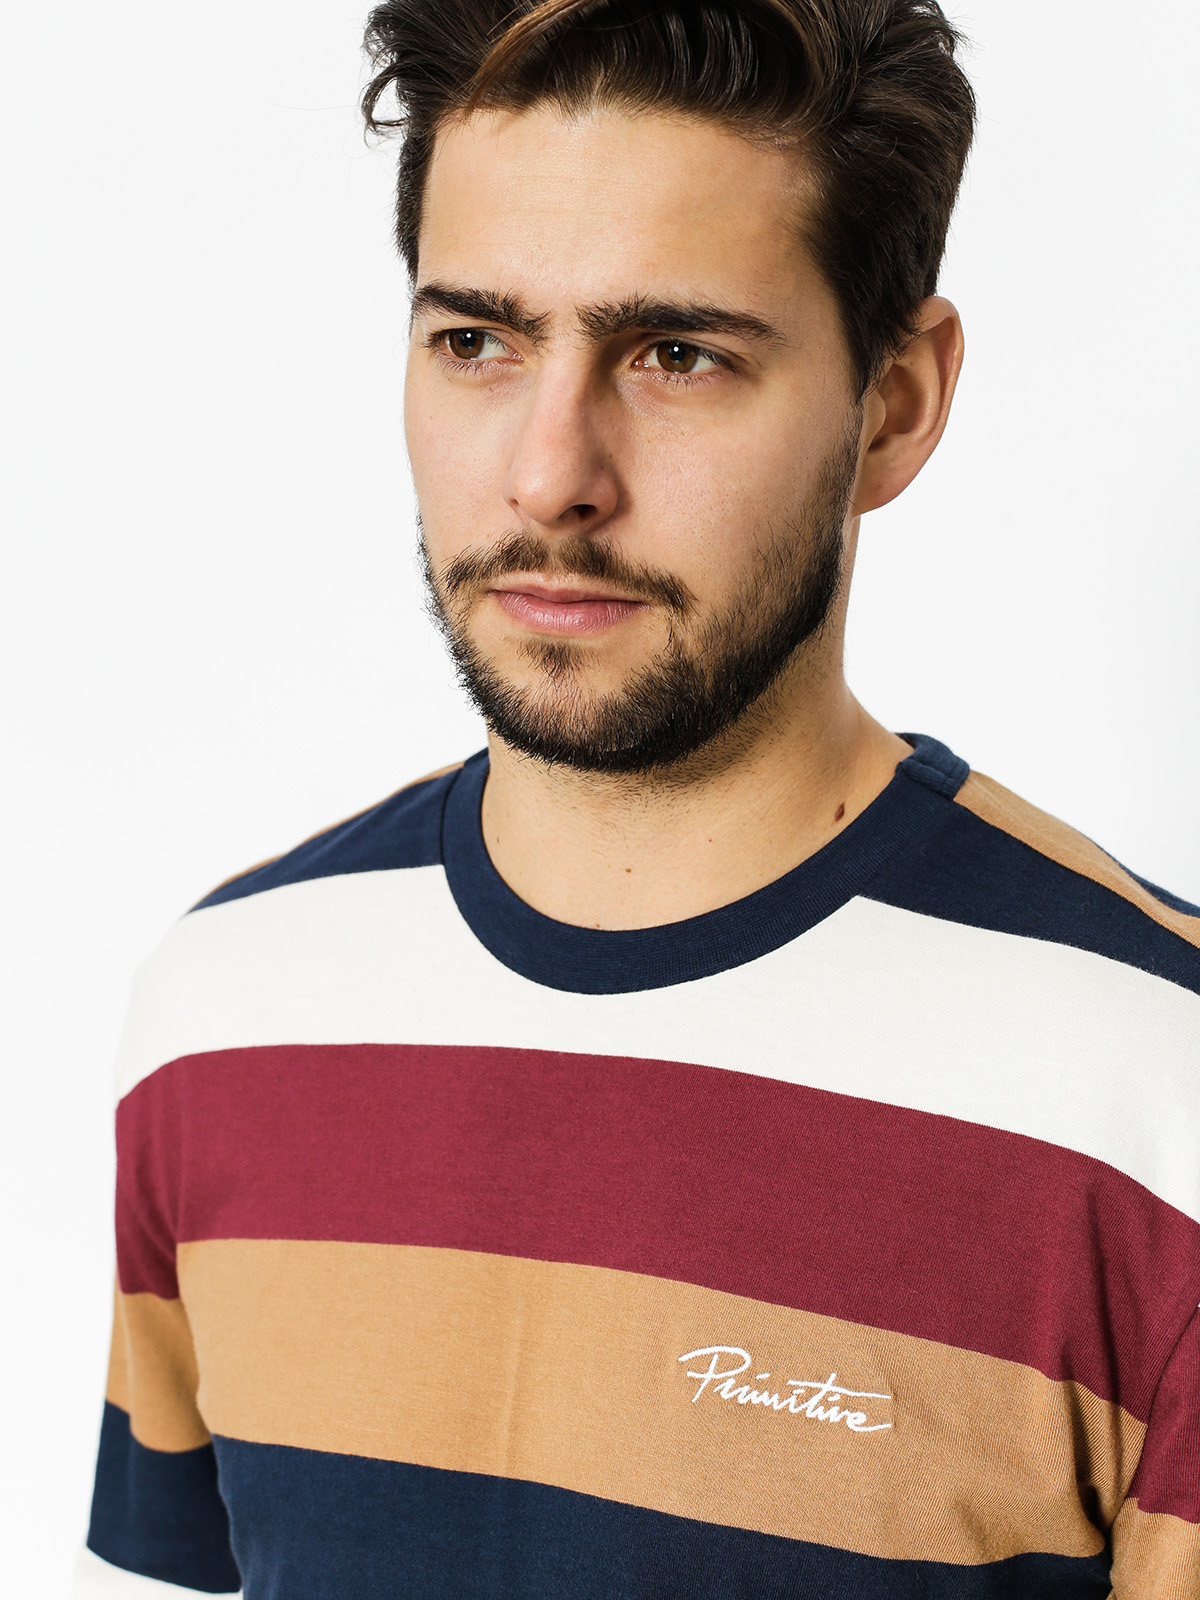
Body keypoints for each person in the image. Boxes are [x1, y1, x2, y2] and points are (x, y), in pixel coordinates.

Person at [78, 1, 1200, 1596]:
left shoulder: (1159, 1096)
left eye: (677, 355)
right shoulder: (224, 1016)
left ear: (895, 404)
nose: (550, 475)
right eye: (478, 341)